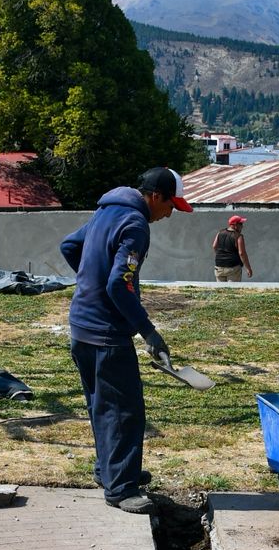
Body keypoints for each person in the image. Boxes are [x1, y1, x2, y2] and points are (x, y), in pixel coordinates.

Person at [60, 167, 192, 515]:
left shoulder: (107, 211)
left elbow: (69, 245)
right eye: (171, 206)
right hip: (106, 332)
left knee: (101, 405)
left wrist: (90, 279)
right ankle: (121, 489)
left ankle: (110, 470)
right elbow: (119, 284)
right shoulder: (136, 225)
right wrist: (148, 331)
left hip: (81, 326)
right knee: (124, 411)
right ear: (156, 197)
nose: (169, 215)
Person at [212, 214, 252, 281]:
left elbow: (214, 246)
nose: (242, 226)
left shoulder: (220, 233)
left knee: (220, 287)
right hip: (233, 268)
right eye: (240, 224)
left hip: (219, 267)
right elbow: (242, 253)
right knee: (232, 287)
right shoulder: (238, 236)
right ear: (235, 225)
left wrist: (221, 256)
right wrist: (248, 268)